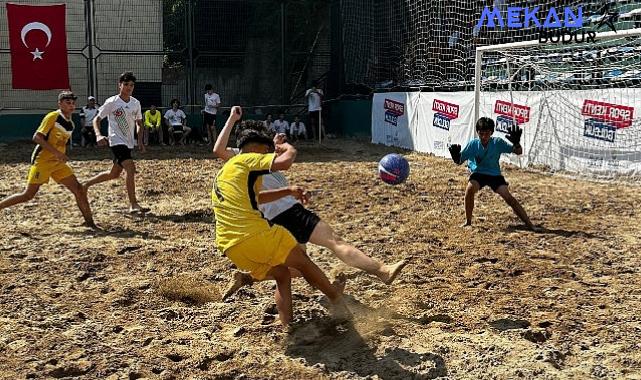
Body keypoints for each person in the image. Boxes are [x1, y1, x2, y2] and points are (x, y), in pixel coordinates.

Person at [213, 114, 407, 300]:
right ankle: (380, 271)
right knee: (332, 242)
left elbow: (262, 185)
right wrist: (232, 119)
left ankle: (247, 278)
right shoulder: (240, 157)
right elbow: (218, 150)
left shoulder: (262, 157)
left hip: (274, 218)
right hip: (286, 214)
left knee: (299, 266)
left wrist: (278, 153)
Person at [212, 106, 348, 325]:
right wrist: (287, 148)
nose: (269, 157)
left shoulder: (226, 171)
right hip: (254, 236)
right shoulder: (248, 159)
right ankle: (338, 302)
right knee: (303, 261)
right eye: (267, 152)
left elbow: (256, 199)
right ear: (258, 150)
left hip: (231, 247)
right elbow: (285, 162)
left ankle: (288, 327)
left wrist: (288, 191)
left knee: (283, 275)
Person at [0, 91, 96, 227]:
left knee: (79, 189)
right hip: (43, 161)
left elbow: (60, 143)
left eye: (73, 103)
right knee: (28, 195)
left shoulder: (71, 124)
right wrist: (57, 153)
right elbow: (37, 137)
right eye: (68, 102)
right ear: (60, 104)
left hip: (57, 163)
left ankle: (90, 223)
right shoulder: (53, 116)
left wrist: (60, 155)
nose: (71, 105)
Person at [448, 117, 536, 230]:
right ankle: (468, 222)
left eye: (487, 133)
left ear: (492, 132)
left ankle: (530, 225)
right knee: (469, 190)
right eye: (481, 134)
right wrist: (455, 156)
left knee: (509, 197)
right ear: (477, 132)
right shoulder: (473, 144)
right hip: (478, 173)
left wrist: (517, 143)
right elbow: (459, 161)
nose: (484, 137)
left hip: (494, 174)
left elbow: (518, 152)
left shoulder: (497, 143)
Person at [83, 71, 149, 214]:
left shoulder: (135, 103)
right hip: (116, 141)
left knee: (113, 174)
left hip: (128, 142)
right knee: (130, 168)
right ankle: (133, 204)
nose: (129, 87)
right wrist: (98, 135)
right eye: (126, 84)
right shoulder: (112, 102)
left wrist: (140, 140)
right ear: (119, 85)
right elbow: (97, 119)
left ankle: (86, 184)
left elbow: (139, 123)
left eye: (131, 85)